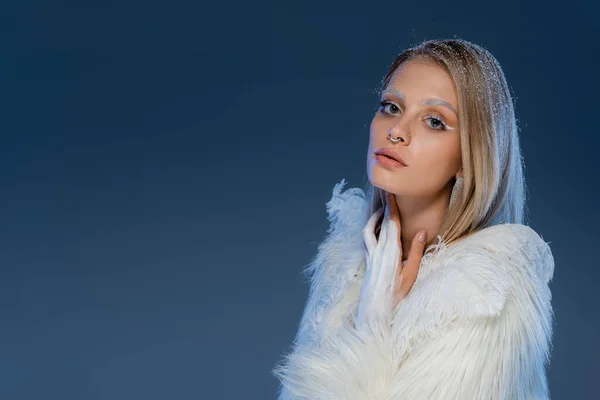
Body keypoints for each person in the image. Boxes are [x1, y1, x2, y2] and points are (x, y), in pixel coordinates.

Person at [272, 38, 555, 399]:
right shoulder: (348, 265)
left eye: (434, 122)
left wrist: (373, 323)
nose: (396, 131)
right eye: (391, 107)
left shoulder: (483, 293)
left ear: (471, 156)